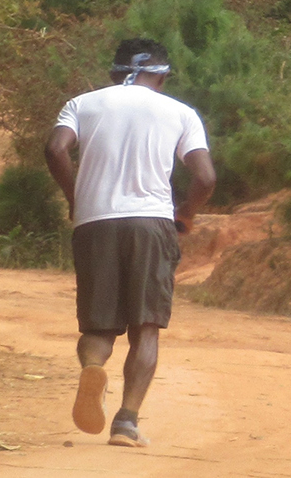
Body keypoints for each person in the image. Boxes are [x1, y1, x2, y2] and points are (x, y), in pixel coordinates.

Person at [44, 38, 216, 448]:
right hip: (151, 223)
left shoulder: (81, 104)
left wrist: (75, 196)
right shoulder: (179, 112)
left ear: (114, 72)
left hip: (95, 222)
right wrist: (186, 213)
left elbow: (55, 149)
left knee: (99, 325)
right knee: (146, 328)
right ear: (158, 74)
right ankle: (126, 421)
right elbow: (206, 178)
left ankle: (92, 366)